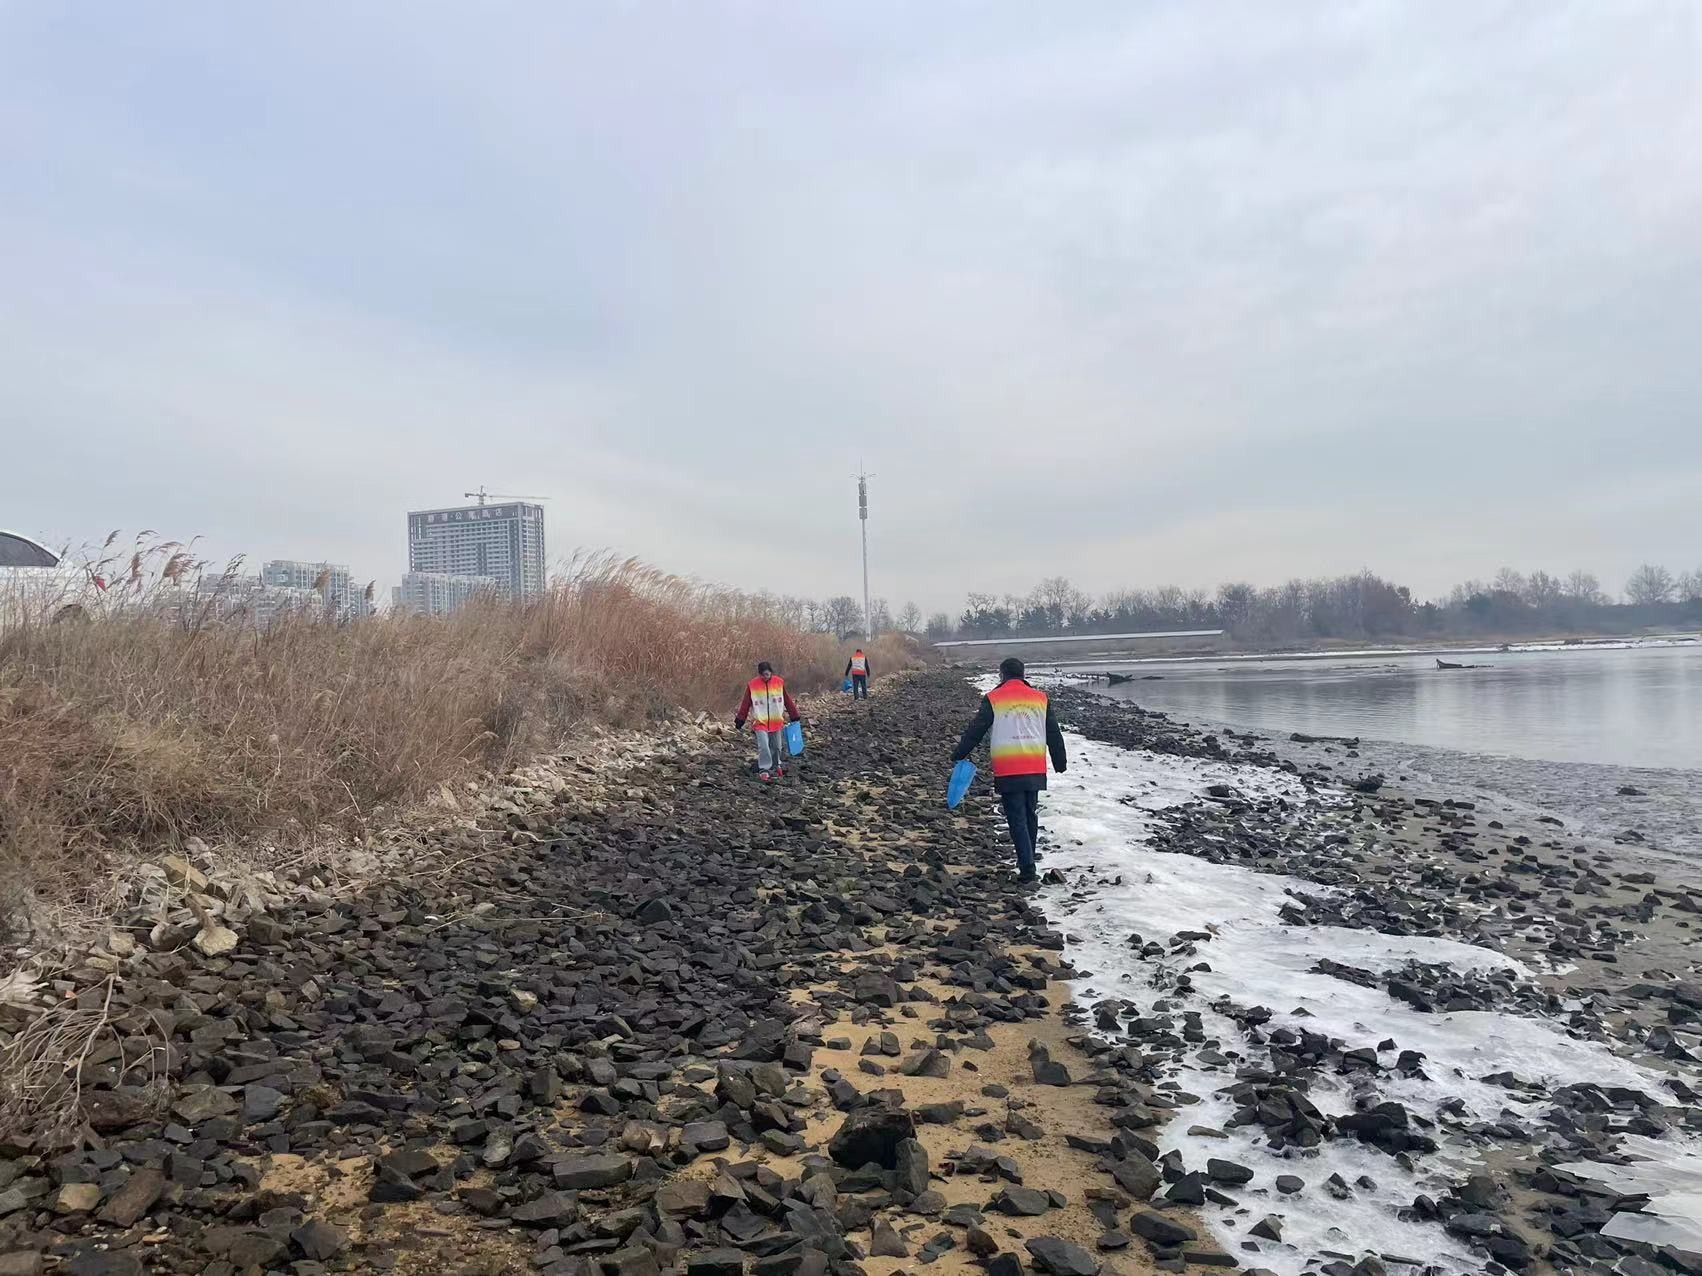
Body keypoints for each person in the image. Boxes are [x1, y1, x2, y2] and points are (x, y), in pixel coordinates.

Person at [951, 657, 1067, 882]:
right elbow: (1054, 732)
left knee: (1016, 817)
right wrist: (1060, 762)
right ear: (1023, 674)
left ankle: (1027, 868)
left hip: (1008, 767)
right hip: (1034, 764)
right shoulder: (1040, 698)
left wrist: (959, 754)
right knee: (1030, 814)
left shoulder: (994, 698)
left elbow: (976, 730)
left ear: (1002, 674)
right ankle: (1028, 859)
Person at [734, 661, 801, 781]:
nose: (766, 677)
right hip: (760, 721)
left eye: (767, 674)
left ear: (771, 673)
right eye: (763, 675)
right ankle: (764, 769)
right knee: (764, 746)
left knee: (777, 747)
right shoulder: (752, 685)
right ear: (759, 674)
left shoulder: (779, 682)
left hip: (776, 721)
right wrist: (740, 719)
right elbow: (746, 703)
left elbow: (787, 700)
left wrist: (794, 714)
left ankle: (776, 766)